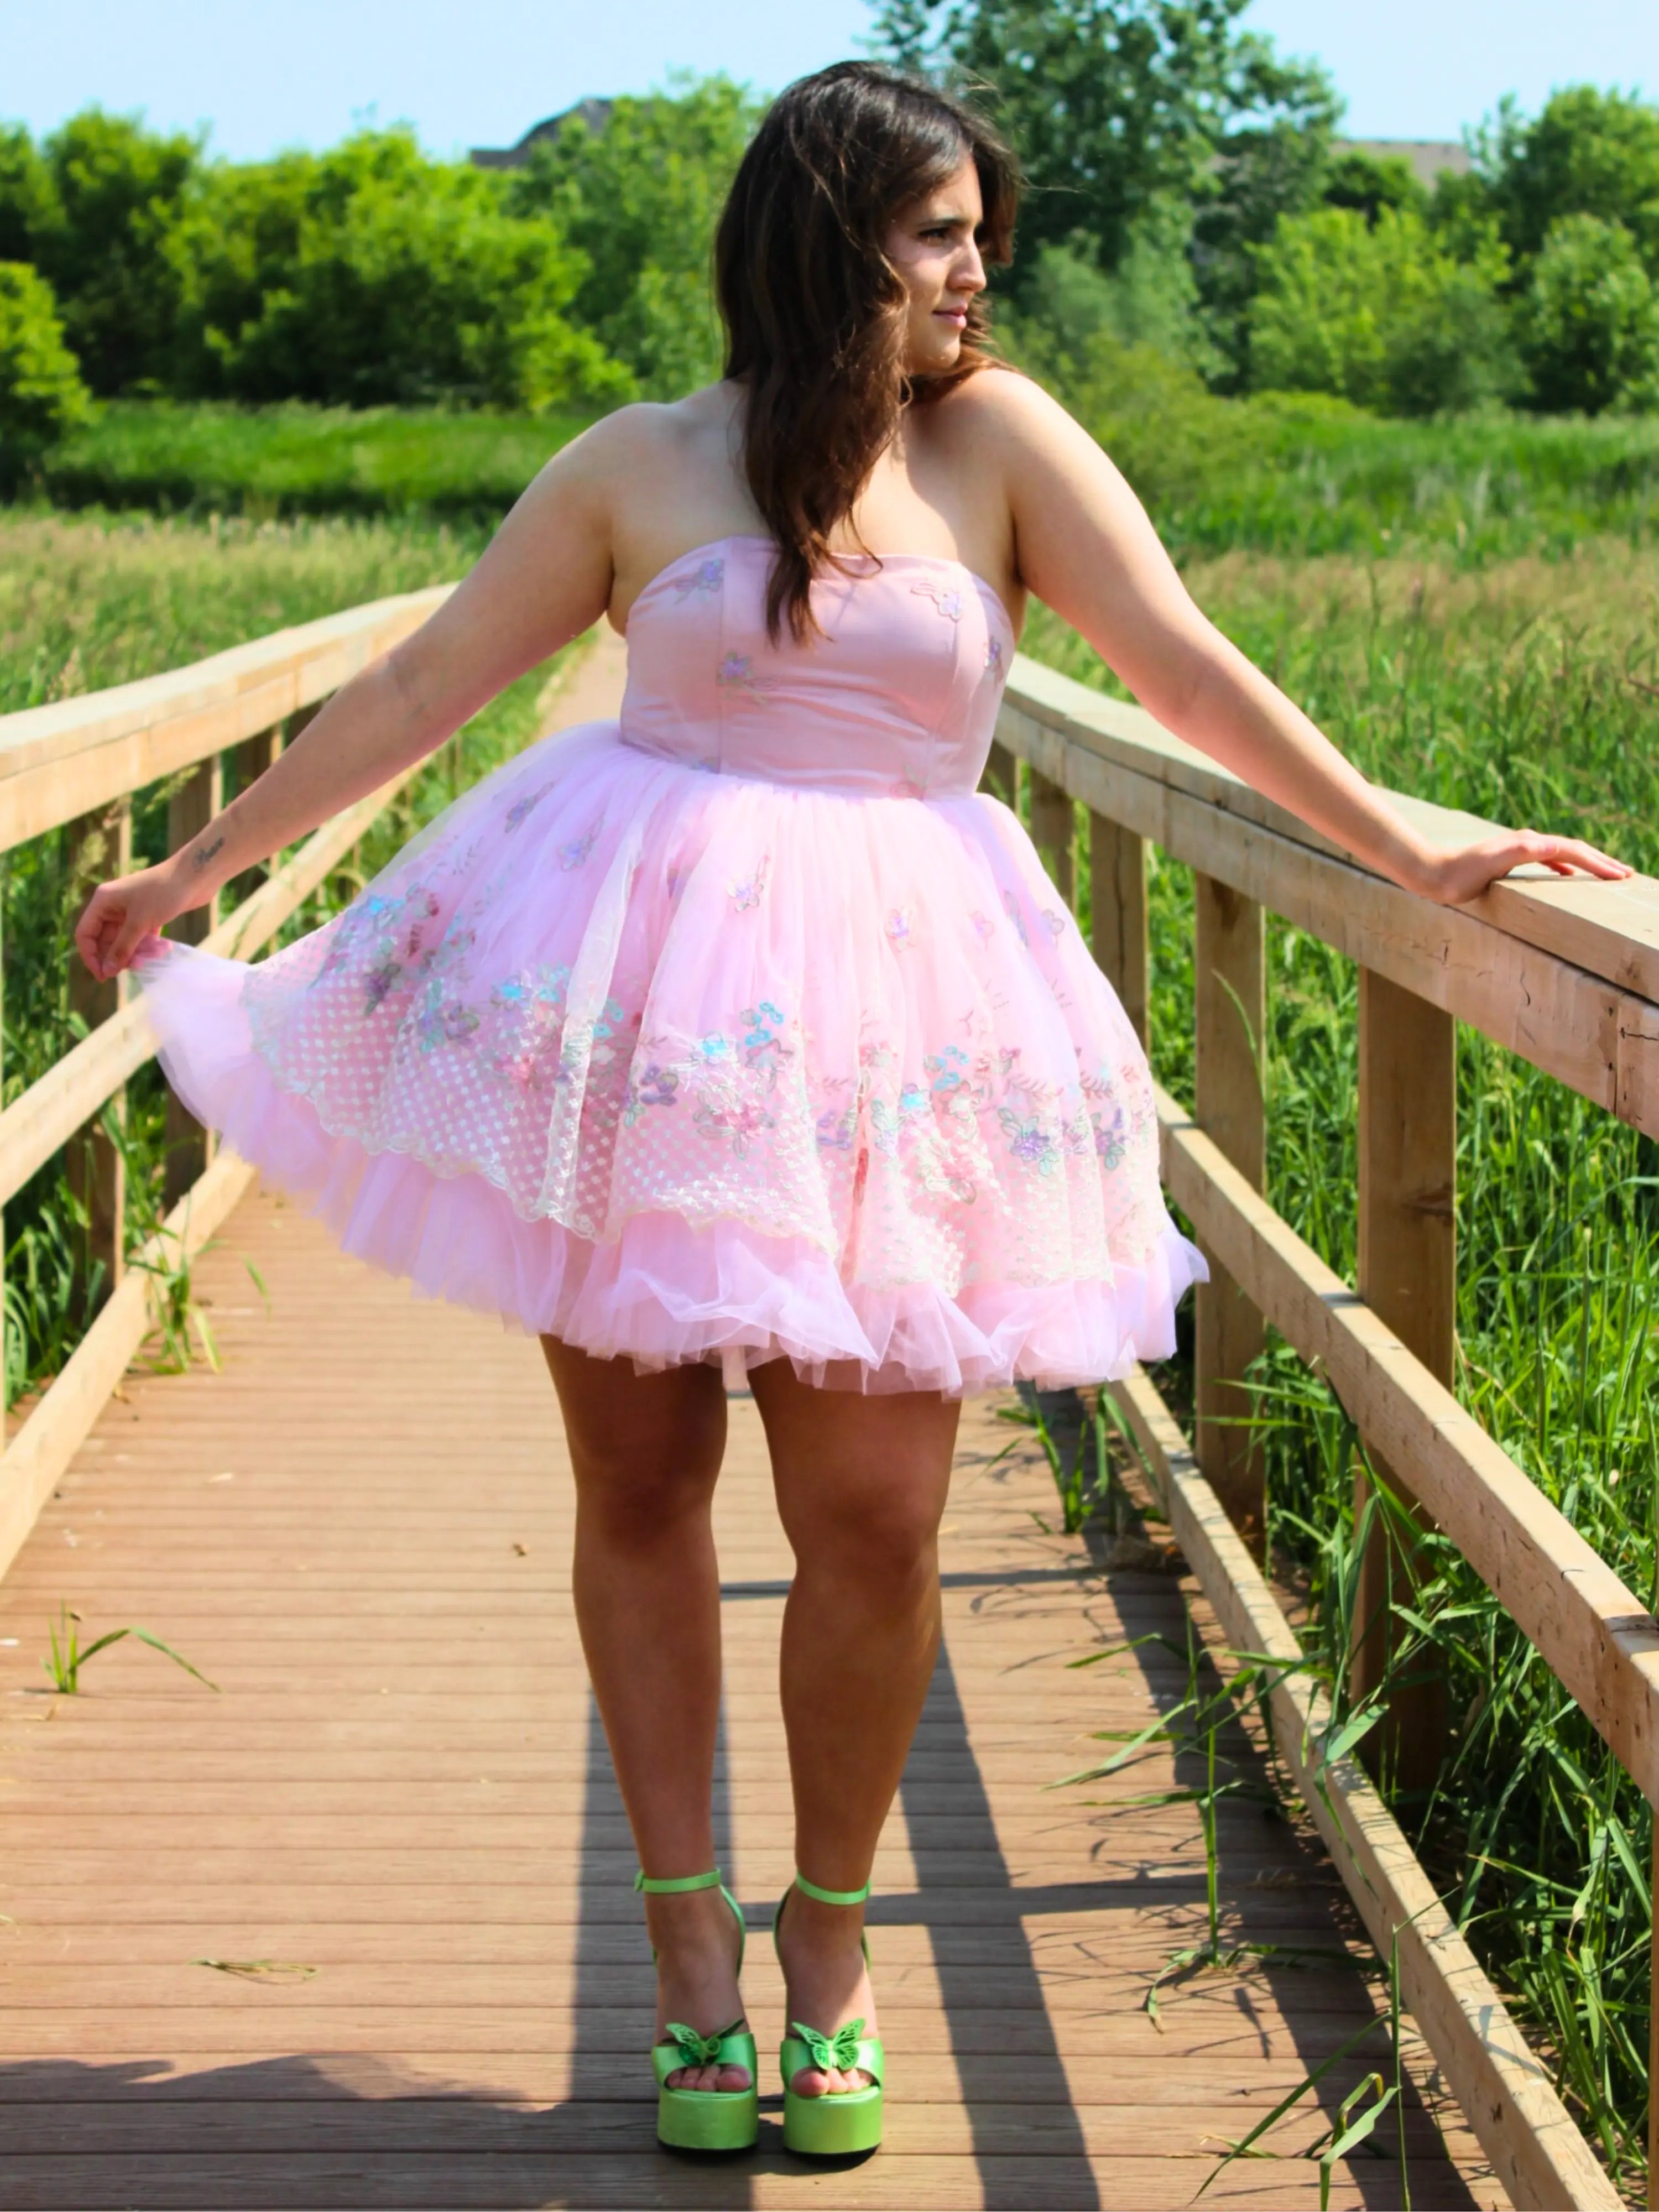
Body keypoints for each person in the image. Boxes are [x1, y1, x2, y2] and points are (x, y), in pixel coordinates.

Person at [74, 61, 1629, 2162]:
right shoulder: (641, 466)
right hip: (638, 1011)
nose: (980, 267)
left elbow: (1179, 665)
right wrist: (194, 876)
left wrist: (1407, 840)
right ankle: (689, 1951)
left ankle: (831, 1935)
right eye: (939, 233)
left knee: (877, 1513)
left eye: (984, 229)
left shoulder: (1000, 449)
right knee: (641, 1487)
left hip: (906, 1029)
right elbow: (423, 685)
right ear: (830, 245)